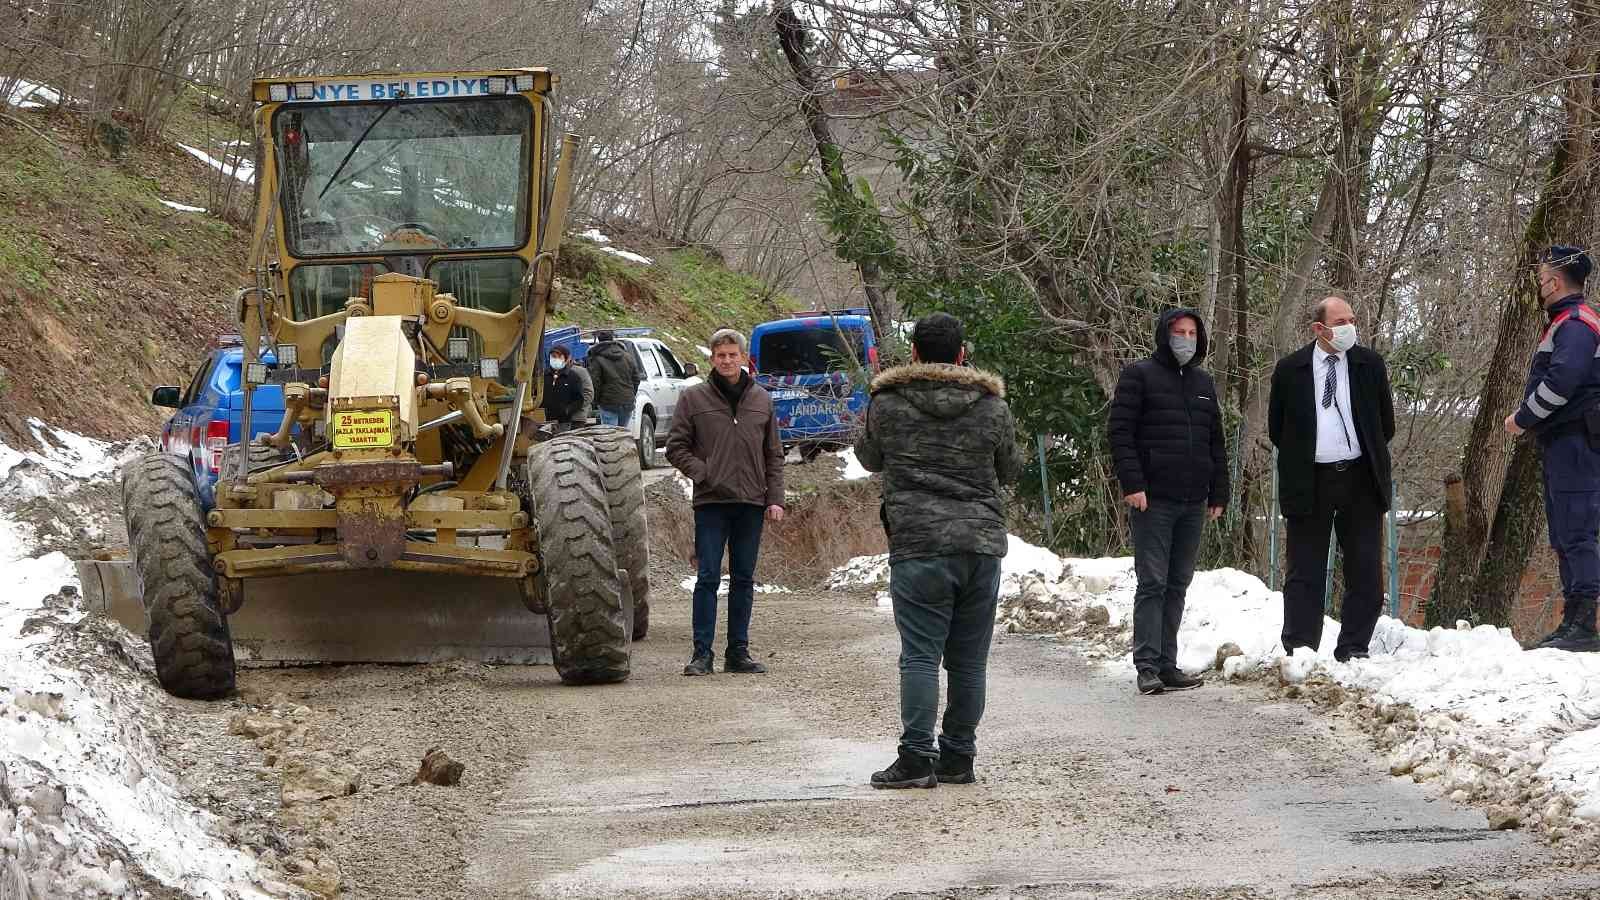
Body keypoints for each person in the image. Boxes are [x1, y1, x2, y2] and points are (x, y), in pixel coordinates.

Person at [854, 312, 1022, 789]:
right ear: (962, 354)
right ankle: (958, 757)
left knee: (921, 657)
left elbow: (869, 458)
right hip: (980, 543)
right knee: (969, 662)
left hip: (919, 543)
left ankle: (915, 758)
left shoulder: (886, 403)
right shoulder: (992, 406)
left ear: (914, 354)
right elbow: (1011, 469)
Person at [1268, 294, 1395, 662]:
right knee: (1304, 569)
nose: (1349, 327)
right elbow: (1278, 428)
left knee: (1365, 568)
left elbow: (1384, 424)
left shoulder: (1369, 365)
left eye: (1352, 319)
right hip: (1310, 480)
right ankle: (1301, 647)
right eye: (1341, 322)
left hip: (1359, 478)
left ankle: (1354, 646)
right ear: (1319, 329)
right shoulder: (1290, 369)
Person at [1108, 309, 1228, 696]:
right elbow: (1120, 433)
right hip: (1152, 499)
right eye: (1180, 332)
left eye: (1193, 333)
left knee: (1178, 582)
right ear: (1165, 334)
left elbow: (1216, 441)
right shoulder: (1139, 375)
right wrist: (1133, 483)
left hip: (1194, 500)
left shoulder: (1203, 383)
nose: (1186, 339)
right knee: (1153, 582)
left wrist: (1219, 491)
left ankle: (1167, 663)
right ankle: (1146, 665)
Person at [665, 328, 785, 677]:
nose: (727, 361)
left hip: (751, 502)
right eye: (721, 356)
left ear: (744, 359)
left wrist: (774, 498)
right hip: (711, 503)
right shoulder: (694, 399)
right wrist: (703, 473)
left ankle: (738, 652)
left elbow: (774, 454)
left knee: (744, 579)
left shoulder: (762, 399)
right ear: (712, 359)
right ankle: (702, 654)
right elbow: (676, 447)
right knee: (707, 577)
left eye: (733, 355)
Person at [1506, 246, 1600, 652]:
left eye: (1542, 276)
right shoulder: (1565, 321)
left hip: (1577, 440)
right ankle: (1573, 620)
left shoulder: (1576, 324)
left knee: (1576, 530)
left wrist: (1522, 418)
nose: (1538, 284)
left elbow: (1562, 382)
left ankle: (1583, 623)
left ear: (1555, 282)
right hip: (1566, 441)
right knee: (1565, 531)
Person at [587, 329, 641, 429]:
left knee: (611, 436)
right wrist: (631, 394)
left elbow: (595, 382)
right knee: (623, 434)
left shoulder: (596, 359)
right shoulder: (627, 356)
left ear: (599, 340)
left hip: (608, 403)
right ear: (613, 339)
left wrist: (596, 401)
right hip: (627, 401)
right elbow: (636, 379)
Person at [540, 345, 592, 427]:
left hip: (569, 420)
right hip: (547, 420)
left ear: (566, 358)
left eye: (559, 357)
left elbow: (580, 398)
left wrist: (568, 410)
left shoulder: (573, 376)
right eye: (553, 357)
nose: (555, 359)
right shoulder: (543, 376)